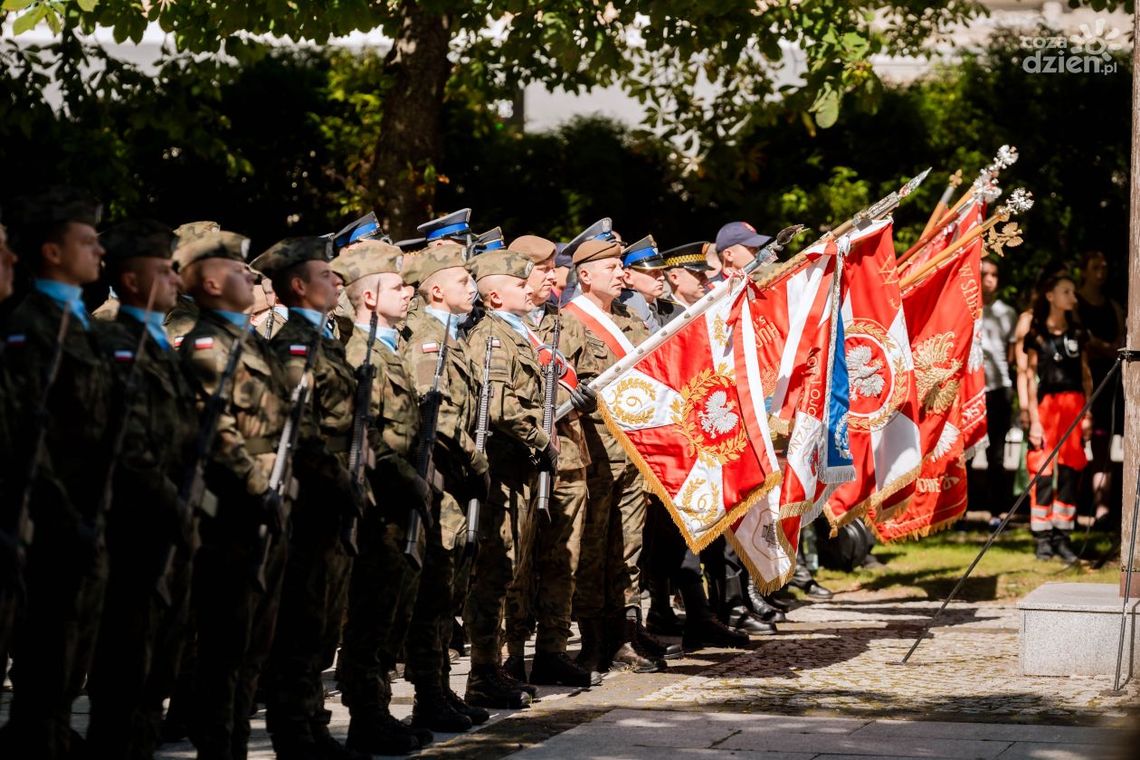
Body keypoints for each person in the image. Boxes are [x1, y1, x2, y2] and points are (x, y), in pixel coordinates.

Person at [0, 190, 111, 760]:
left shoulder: (75, 320)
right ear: (51, 251)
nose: (99, 250)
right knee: (44, 650)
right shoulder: (33, 324)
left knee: (69, 650)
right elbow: (28, 429)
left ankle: (50, 731)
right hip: (48, 512)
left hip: (83, 506)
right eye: (86, 241)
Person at [84, 220, 200, 760]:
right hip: (133, 519)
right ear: (131, 281)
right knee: (125, 659)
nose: (176, 281)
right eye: (164, 272)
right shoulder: (111, 339)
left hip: (170, 518)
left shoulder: (156, 341)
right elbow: (125, 439)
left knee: (159, 659)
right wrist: (168, 499)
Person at [252, 237, 368, 760]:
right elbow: (302, 430)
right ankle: (294, 733)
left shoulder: (323, 340)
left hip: (332, 497)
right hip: (310, 500)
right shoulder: (296, 346)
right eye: (326, 274)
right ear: (298, 285)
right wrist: (339, 480)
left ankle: (312, 724)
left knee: (320, 622)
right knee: (300, 623)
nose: (337, 282)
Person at [332, 240, 434, 755]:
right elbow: (366, 434)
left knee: (391, 613)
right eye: (396, 286)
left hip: (399, 503)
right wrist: (406, 478)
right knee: (370, 616)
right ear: (368, 299)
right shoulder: (360, 353)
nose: (408, 291)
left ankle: (379, 709)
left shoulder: (390, 346)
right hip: (377, 505)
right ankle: (365, 715)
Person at [396, 243, 492, 732]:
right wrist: (476, 461)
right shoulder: (427, 339)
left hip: (453, 483)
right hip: (440, 479)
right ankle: (427, 695)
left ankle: (439, 688)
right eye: (462, 282)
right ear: (436, 289)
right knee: (433, 591)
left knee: (447, 589)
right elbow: (436, 412)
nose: (472, 289)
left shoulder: (451, 337)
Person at [501, 234, 600, 688]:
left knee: (564, 557)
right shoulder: (498, 324)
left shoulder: (568, 325)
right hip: (522, 458)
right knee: (516, 558)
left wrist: (588, 395)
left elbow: (595, 379)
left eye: (551, 267)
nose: (550, 275)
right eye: (541, 268)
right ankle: (508, 653)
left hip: (570, 453)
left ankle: (553, 650)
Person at [561, 235, 662, 674]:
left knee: (629, 549)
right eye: (613, 267)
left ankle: (624, 633)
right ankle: (593, 639)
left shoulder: (629, 319)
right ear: (585, 275)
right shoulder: (569, 323)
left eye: (624, 266)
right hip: (596, 456)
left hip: (635, 454)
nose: (623, 274)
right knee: (594, 549)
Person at [460, 249, 551, 708]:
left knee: (507, 570)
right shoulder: (491, 336)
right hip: (498, 470)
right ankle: (481, 672)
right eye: (519, 284)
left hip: (517, 471)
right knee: (493, 573)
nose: (528, 289)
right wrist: (541, 437)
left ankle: (490, 668)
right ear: (495, 296)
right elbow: (497, 406)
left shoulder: (517, 334)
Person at [1024, 272, 1092, 563]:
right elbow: (1029, 377)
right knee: (1042, 468)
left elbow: (1087, 376)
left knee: (1070, 469)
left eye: (1073, 293)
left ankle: (1063, 535)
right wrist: (1033, 418)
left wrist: (1087, 413)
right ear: (1051, 296)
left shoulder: (1078, 333)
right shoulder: (1035, 333)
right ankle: (1042, 536)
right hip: (1046, 407)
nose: (1073, 298)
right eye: (1067, 292)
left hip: (1074, 405)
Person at [1076, 250, 1125, 524]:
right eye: (1095, 267)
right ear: (1084, 270)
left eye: (1104, 267)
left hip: (1109, 382)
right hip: (1084, 380)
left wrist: (1107, 349)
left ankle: (1102, 507)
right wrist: (1104, 348)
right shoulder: (1077, 304)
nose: (1101, 272)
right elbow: (1084, 341)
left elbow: (1120, 337)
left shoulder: (1112, 305)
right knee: (1081, 442)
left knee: (1105, 443)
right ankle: (1072, 504)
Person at [977, 257, 1017, 510]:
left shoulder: (1008, 313)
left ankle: (996, 511)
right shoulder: (966, 308)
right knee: (966, 454)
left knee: (997, 453)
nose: (990, 280)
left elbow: (1012, 354)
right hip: (971, 391)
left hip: (999, 389)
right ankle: (962, 513)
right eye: (985, 274)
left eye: (994, 275)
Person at [617, 235, 677, 332]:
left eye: (661, 271)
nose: (661, 277)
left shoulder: (676, 309)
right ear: (627, 277)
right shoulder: (621, 315)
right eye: (653, 272)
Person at [661, 241, 714, 310]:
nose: (706, 280)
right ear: (675, 278)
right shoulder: (665, 317)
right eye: (698, 274)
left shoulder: (713, 304)